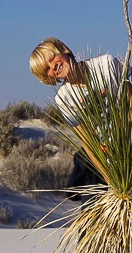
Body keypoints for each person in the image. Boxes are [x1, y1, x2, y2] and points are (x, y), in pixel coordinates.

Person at [28, 37, 125, 187]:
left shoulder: (107, 64)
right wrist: (110, 180)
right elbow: (87, 140)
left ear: (63, 49)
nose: (54, 66)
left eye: (52, 58)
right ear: (48, 78)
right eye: (47, 69)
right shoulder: (64, 98)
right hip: (103, 163)